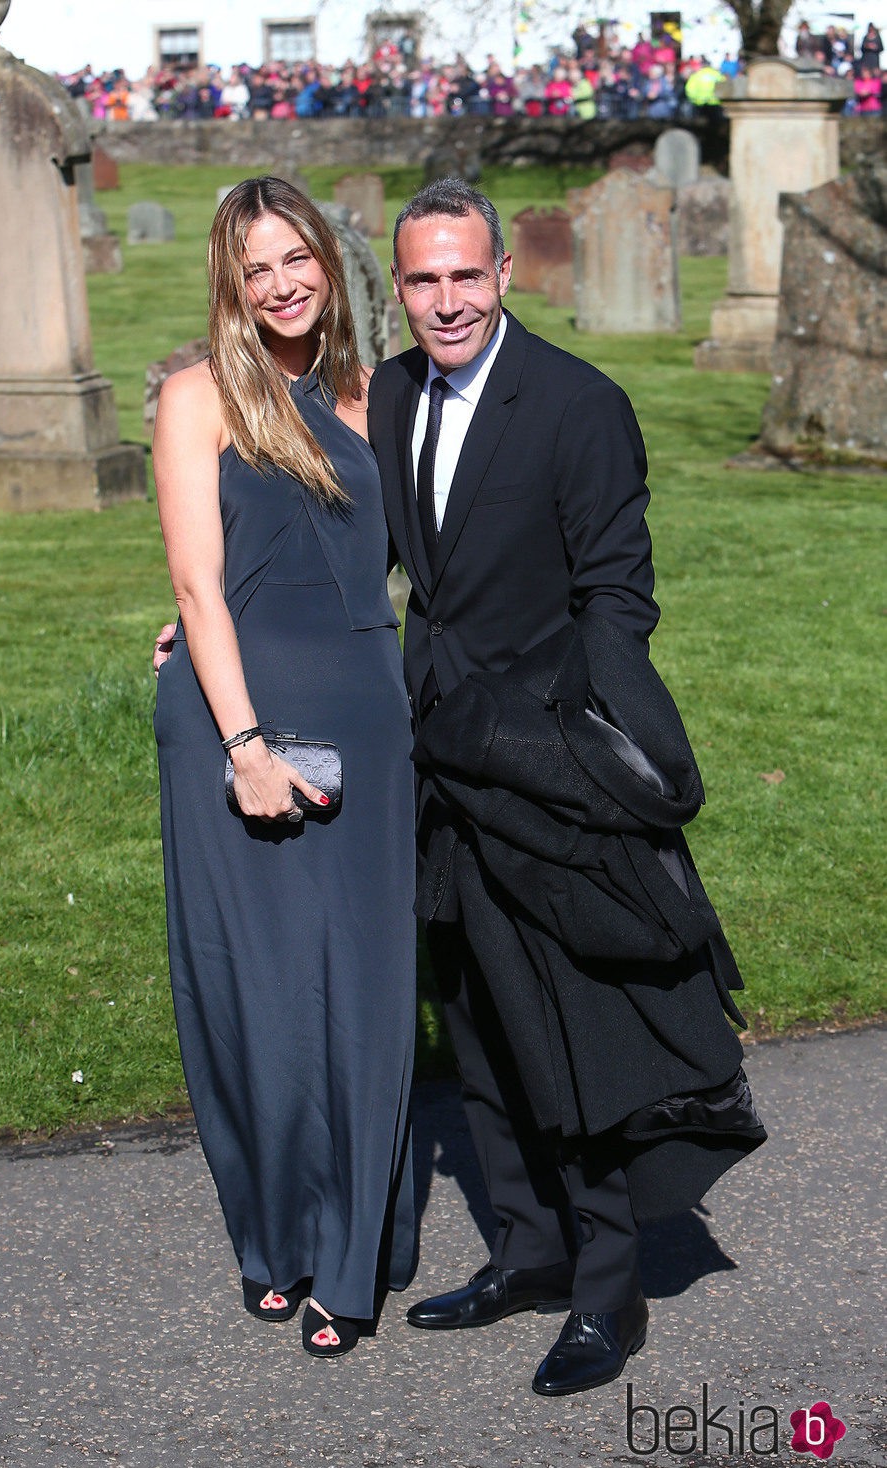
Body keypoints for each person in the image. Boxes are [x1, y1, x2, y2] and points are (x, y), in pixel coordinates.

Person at [365, 178, 764, 1398]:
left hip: (542, 756)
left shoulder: (580, 405)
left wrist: (597, 741)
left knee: (565, 1025)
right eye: (422, 280)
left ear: (502, 277)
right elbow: (373, 556)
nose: (444, 301)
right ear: (403, 287)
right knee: (477, 1018)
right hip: (435, 752)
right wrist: (214, 625)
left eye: (464, 276)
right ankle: (525, 1254)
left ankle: (607, 1291)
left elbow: (615, 592)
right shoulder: (389, 394)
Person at [152, 176, 417, 1359]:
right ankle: (273, 1231)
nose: (280, 284)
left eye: (294, 258)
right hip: (234, 722)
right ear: (231, 282)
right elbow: (201, 584)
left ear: (330, 258)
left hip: (365, 711)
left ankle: (349, 1253)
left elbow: (427, 559)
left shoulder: (377, 398)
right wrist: (242, 740)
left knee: (359, 989)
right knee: (256, 993)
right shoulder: (196, 395)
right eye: (254, 268)